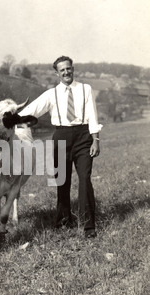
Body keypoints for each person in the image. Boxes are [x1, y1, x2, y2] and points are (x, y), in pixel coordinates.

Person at [18, 56, 102, 238]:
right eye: (62, 70)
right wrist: (9, 118)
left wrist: (96, 140)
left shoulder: (85, 89)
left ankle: (88, 226)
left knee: (85, 179)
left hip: (83, 137)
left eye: (68, 68)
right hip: (61, 137)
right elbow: (32, 110)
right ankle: (63, 221)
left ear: (73, 69)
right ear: (57, 73)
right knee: (62, 181)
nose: (66, 72)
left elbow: (93, 116)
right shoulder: (51, 94)